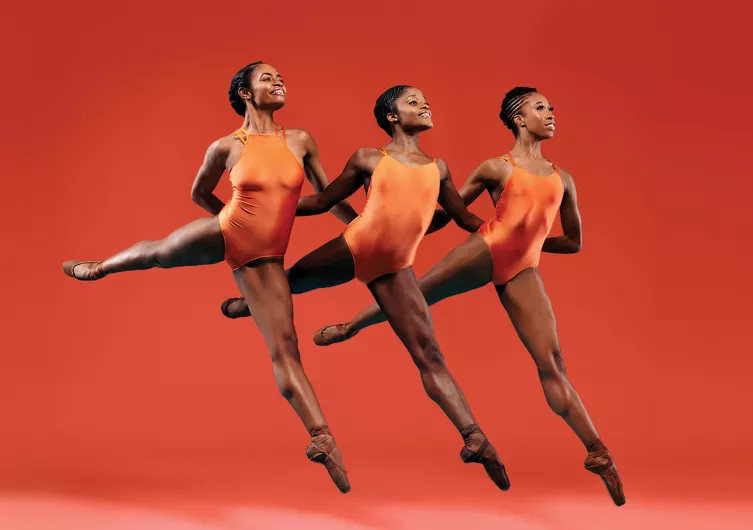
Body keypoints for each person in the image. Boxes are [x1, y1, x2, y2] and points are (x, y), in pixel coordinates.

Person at [296, 87, 626, 505]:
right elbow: (449, 212)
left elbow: (573, 242)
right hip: (485, 248)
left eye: (552, 108)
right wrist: (398, 228)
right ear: (520, 119)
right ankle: (352, 324)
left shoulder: (565, 179)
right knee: (419, 292)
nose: (551, 113)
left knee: (553, 362)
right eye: (542, 108)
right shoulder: (496, 167)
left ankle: (597, 451)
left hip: (523, 267)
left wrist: (531, 245)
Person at [61, 61, 358, 493]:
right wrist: (232, 220)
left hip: (265, 258)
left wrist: (358, 227)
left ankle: (321, 439)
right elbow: (199, 192)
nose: (279, 82)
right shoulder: (225, 147)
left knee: (286, 348)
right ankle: (103, 266)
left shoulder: (300, 140)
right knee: (161, 253)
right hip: (226, 230)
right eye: (267, 78)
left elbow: (326, 195)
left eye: (281, 77)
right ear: (245, 92)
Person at [220, 85, 510, 490]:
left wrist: (499, 229)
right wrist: (266, 206)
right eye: (413, 101)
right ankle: (248, 303)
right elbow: (324, 202)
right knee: (287, 285)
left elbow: (459, 217)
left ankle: (474, 436)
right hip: (355, 246)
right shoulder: (369, 158)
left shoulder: (438, 168)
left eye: (426, 100)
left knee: (429, 353)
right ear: (392, 117)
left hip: (394, 267)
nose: (425, 104)